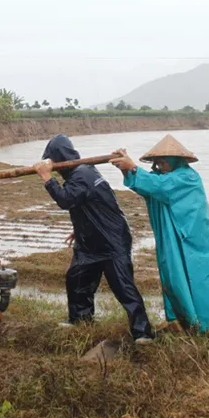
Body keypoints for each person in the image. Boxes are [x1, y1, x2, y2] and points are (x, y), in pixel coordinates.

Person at [110, 134, 209, 346]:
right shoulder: (165, 178)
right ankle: (185, 323)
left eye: (164, 161)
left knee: (205, 283)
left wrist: (133, 168)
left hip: (195, 241)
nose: (160, 165)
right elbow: (150, 187)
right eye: (158, 161)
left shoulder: (187, 178)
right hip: (175, 239)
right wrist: (127, 168)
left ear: (177, 160)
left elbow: (161, 187)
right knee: (174, 280)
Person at [33, 134, 154, 344]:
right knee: (77, 279)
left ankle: (143, 333)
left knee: (123, 286)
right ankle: (80, 320)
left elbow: (66, 200)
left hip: (112, 240)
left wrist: (47, 178)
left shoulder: (82, 174)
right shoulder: (83, 172)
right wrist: (79, 228)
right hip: (89, 241)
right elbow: (86, 204)